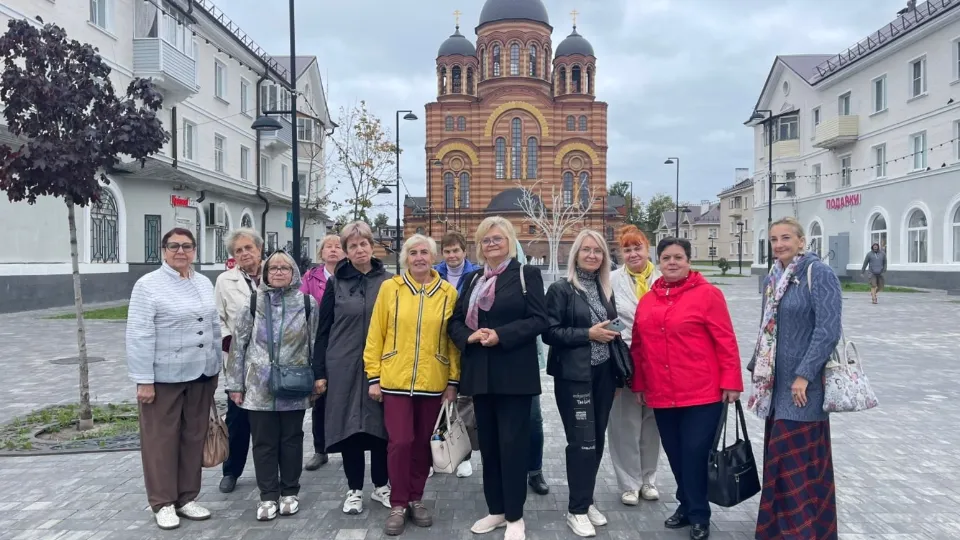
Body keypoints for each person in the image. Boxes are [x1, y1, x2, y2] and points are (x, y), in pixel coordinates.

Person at [630, 237, 742, 540]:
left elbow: (725, 340)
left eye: (678, 257)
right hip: (662, 392)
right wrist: (639, 383)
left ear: (688, 261)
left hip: (701, 392)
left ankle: (699, 515)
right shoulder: (648, 300)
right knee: (677, 454)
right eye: (666, 258)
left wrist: (731, 381)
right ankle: (686, 504)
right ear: (659, 262)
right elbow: (638, 347)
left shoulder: (708, 295)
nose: (672, 262)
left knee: (694, 453)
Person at [449, 216, 548, 540]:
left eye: (498, 239)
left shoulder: (526, 274)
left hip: (514, 377)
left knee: (513, 446)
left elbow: (539, 320)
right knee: (489, 446)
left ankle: (515, 515)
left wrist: (500, 335)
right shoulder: (473, 279)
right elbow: (455, 323)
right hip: (481, 377)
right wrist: (472, 336)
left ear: (509, 242)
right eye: (486, 240)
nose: (492, 244)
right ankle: (496, 510)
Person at [749, 217, 841, 540]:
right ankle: (778, 530)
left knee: (797, 465)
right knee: (779, 464)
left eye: (786, 238)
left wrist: (804, 374)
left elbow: (828, 330)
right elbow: (766, 329)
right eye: (773, 239)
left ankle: (801, 532)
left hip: (805, 390)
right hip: (777, 390)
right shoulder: (773, 278)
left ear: (802, 241)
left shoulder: (819, 274)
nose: (779, 245)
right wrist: (756, 369)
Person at [364, 234, 460, 536]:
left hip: (434, 380)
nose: (419, 258)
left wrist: (453, 381)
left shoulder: (447, 292)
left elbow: (452, 341)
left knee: (422, 444)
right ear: (406, 258)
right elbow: (376, 332)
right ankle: (398, 502)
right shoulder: (390, 288)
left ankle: (417, 498)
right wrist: (374, 375)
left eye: (425, 253)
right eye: (414, 253)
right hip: (395, 380)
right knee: (400, 442)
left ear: (434, 258)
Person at [126, 227, 221, 530]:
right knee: (160, 441)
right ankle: (163, 502)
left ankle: (187, 497)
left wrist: (216, 367)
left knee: (193, 436)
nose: (181, 251)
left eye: (187, 246)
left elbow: (214, 326)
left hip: (201, 374)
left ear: (195, 250)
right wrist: (143, 379)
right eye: (174, 246)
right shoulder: (148, 285)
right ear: (163, 250)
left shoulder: (204, 282)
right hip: (163, 377)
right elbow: (139, 334)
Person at [224, 250, 319, 521]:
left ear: (293, 273)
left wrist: (316, 382)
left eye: (284, 268)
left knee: (291, 439)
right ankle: (267, 495)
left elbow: (314, 345)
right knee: (263, 442)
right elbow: (238, 347)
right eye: (273, 268)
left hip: (294, 383)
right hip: (258, 385)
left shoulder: (307, 303)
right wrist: (235, 385)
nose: (278, 272)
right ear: (265, 274)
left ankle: (290, 491)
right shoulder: (253, 303)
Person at [543, 229, 620, 538]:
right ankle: (576, 510)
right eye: (586, 250)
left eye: (597, 251)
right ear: (575, 254)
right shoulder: (561, 289)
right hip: (574, 375)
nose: (592, 255)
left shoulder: (605, 289)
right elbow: (549, 333)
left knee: (597, 439)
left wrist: (614, 329)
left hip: (604, 372)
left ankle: (585, 501)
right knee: (582, 441)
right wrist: (587, 334)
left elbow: (611, 324)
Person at [313, 222, 392, 516]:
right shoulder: (336, 283)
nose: (359, 250)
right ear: (345, 251)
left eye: (364, 244)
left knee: (382, 428)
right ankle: (355, 489)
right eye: (353, 246)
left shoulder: (389, 282)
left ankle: (382, 486)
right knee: (349, 429)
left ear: (372, 246)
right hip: (342, 365)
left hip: (381, 365)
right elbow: (323, 329)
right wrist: (319, 371)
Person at [608, 225, 662, 506]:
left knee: (653, 423)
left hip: (659, 362)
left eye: (637, 247)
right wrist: (622, 333)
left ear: (647, 248)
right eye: (627, 249)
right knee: (624, 423)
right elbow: (607, 316)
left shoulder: (664, 278)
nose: (632, 254)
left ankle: (648, 478)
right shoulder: (612, 280)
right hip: (625, 359)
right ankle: (628, 483)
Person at [214, 228, 264, 494]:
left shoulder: (275, 273)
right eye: (238, 251)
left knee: (267, 421)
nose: (245, 254)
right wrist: (228, 341)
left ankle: (269, 470)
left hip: (270, 360)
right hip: (239, 360)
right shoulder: (225, 280)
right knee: (237, 417)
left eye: (249, 248)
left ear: (259, 249)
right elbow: (217, 317)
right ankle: (231, 470)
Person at [434, 231, 480, 479]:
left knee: (464, 403)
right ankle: (436, 452)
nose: (452, 256)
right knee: (437, 401)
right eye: (447, 251)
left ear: (465, 251)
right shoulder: (434, 273)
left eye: (456, 251)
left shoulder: (475, 276)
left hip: (463, 342)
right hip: (437, 342)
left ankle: (463, 453)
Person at [300, 234, 345, 471]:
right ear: (321, 253)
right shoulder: (310, 277)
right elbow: (302, 306)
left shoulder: (350, 276)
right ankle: (320, 449)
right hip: (321, 343)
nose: (334, 250)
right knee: (321, 398)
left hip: (347, 344)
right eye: (328, 246)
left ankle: (348, 446)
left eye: (338, 246)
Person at [515, 240, 549, 497]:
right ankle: (508, 469)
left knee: (533, 419)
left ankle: (534, 470)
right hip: (495, 360)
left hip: (525, 359)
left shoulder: (527, 276)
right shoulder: (481, 278)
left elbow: (540, 320)